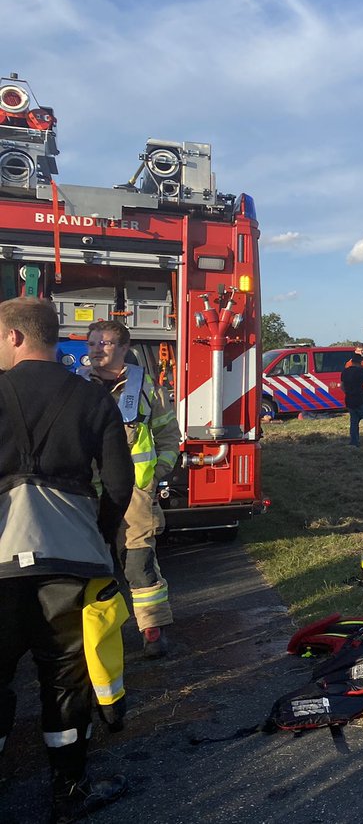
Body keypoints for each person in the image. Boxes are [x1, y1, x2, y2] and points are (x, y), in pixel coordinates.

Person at [0, 297, 134, 820]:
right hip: (71, 564)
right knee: (64, 681)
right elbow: (119, 485)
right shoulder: (92, 398)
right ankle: (69, 791)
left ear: (15, 336)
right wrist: (95, 536)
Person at [87, 320, 179, 659]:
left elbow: (169, 436)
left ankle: (153, 629)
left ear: (124, 347)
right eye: (92, 343)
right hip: (87, 493)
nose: (96, 349)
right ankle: (90, 634)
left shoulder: (146, 387)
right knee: (88, 565)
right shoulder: (78, 386)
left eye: (105, 343)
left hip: (134, 493)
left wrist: (156, 474)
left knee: (139, 562)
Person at [340, 354, 363, 447]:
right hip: (360, 399)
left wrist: (348, 393)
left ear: (352, 361)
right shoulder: (360, 370)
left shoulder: (345, 371)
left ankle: (354, 442)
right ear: (360, 362)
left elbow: (342, 386)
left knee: (354, 422)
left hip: (349, 400)